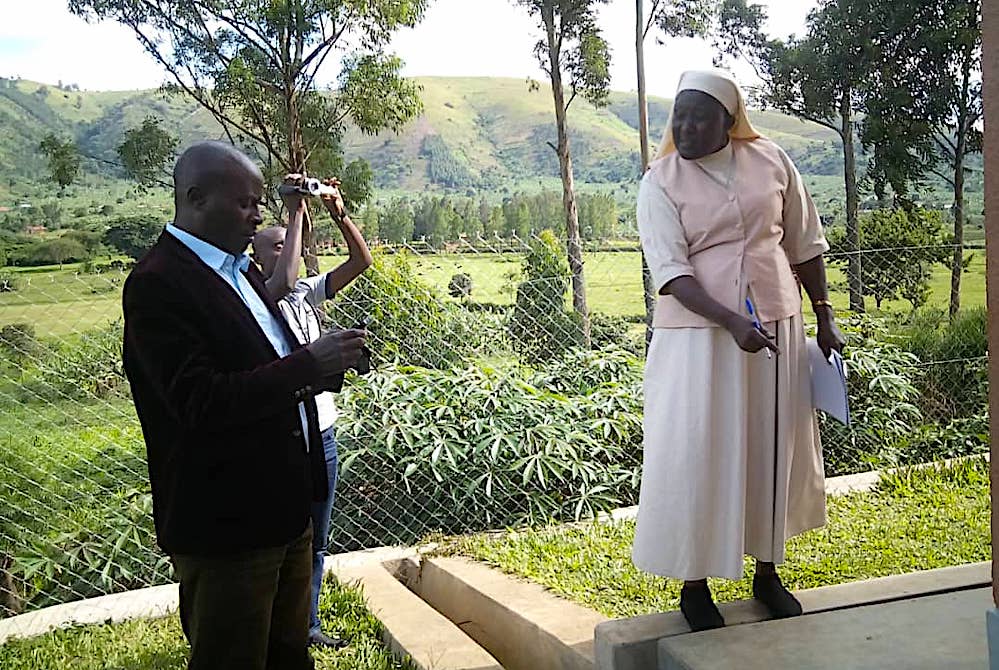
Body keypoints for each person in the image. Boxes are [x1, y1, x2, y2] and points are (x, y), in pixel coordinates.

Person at [121, 141, 367, 670]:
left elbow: (267, 363)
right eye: (246, 203)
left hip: (285, 509)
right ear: (195, 198)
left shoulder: (241, 272)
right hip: (227, 524)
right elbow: (199, 401)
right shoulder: (158, 284)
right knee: (232, 656)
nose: (258, 215)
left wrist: (325, 365)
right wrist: (308, 365)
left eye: (260, 203)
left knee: (288, 653)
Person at [632, 70, 845, 632]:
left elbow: (805, 242)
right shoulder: (660, 181)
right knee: (699, 451)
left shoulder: (771, 161)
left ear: (731, 121)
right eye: (679, 116)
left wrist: (823, 315)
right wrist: (730, 321)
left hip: (776, 326)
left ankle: (768, 572)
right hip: (699, 340)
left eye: (700, 116)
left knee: (771, 447)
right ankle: (694, 583)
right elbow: (672, 273)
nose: (686, 127)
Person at [252, 176, 373, 649]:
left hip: (322, 433)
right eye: (280, 244)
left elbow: (361, 261)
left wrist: (339, 211)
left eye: (294, 244)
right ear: (258, 258)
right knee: (286, 540)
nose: (293, 251)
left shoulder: (307, 293)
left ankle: (307, 625)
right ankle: (282, 627)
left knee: (317, 540)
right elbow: (281, 279)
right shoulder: (263, 295)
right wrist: (296, 209)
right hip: (287, 437)